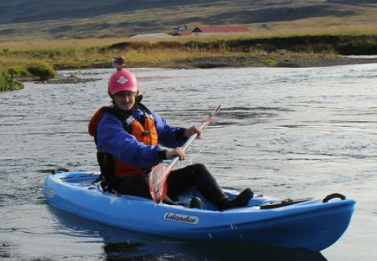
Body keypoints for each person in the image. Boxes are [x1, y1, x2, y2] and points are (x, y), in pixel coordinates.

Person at [88, 67, 253, 210]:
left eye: (129, 94)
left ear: (136, 93)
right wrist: (163, 154)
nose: (125, 99)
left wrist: (184, 133)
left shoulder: (145, 114)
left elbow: (165, 132)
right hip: (122, 182)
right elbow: (131, 149)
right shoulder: (108, 124)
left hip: (154, 179)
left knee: (197, 170)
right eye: (120, 95)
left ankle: (225, 203)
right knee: (143, 182)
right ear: (112, 96)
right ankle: (180, 211)